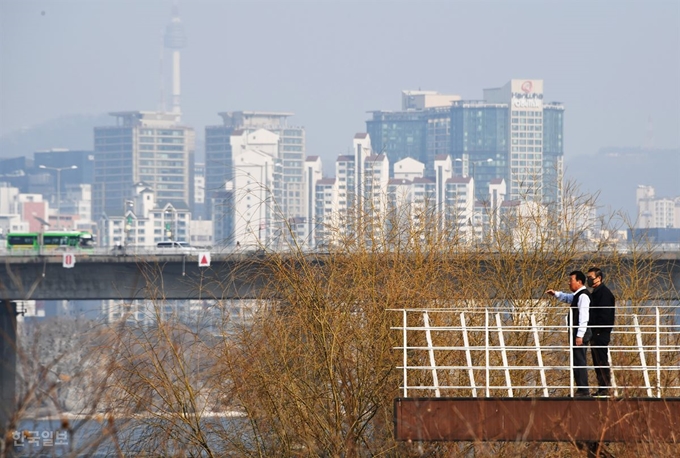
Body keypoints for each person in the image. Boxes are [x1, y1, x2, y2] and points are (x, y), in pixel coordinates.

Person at [547, 270, 592, 397]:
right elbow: (568, 298)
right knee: (576, 360)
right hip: (576, 332)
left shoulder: (583, 296)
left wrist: (580, 335)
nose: (569, 283)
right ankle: (580, 388)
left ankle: (583, 390)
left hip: (579, 333)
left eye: (571, 280)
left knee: (580, 360)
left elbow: (584, 316)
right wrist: (556, 294)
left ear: (579, 281)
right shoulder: (578, 295)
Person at [586, 267, 616, 397]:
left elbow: (604, 315)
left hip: (600, 333)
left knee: (601, 360)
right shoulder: (597, 292)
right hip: (597, 332)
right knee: (597, 361)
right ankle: (602, 387)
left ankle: (605, 388)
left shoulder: (603, 293)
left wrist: (597, 330)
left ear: (599, 278)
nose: (588, 280)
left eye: (591, 278)